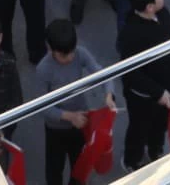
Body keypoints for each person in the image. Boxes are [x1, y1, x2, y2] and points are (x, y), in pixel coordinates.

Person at [35, 18, 114, 185]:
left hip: (81, 123)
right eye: (64, 54)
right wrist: (70, 117)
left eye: (72, 51)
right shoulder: (43, 69)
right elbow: (42, 107)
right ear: (51, 49)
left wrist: (109, 94)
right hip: (56, 129)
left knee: (80, 167)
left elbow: (101, 73)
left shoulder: (80, 53)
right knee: (54, 170)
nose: (70, 57)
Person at [118, 0, 170, 171]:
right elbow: (132, 74)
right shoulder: (131, 34)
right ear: (149, 6)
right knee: (139, 129)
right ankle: (132, 160)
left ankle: (156, 151)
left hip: (167, 87)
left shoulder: (163, 14)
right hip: (143, 97)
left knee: (160, 124)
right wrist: (157, 92)